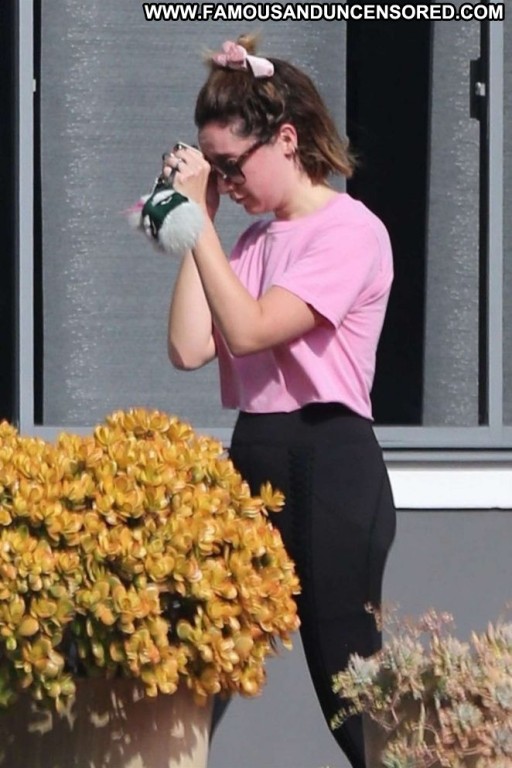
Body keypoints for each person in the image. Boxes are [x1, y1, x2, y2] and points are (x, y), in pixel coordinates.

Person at [163, 34, 397, 768]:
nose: (226, 184)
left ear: (287, 140)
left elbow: (250, 328)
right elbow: (189, 346)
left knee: (350, 694)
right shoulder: (252, 242)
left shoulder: (351, 231)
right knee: (193, 667)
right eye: (216, 171)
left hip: (330, 466)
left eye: (231, 166)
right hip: (255, 459)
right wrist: (195, 218)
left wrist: (201, 223)